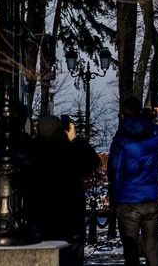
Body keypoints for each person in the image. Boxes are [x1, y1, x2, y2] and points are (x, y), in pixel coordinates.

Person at [109, 103, 158, 266]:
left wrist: (115, 199)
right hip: (151, 198)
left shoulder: (121, 138)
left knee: (131, 248)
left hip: (129, 200)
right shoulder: (153, 132)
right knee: (152, 247)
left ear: (122, 116)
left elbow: (115, 171)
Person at [26, 114, 102, 266]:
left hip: (39, 216)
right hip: (69, 216)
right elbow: (93, 162)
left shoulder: (30, 151)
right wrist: (75, 139)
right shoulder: (69, 151)